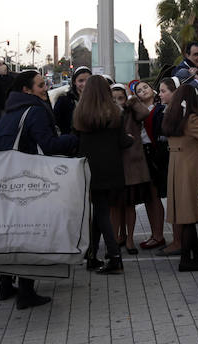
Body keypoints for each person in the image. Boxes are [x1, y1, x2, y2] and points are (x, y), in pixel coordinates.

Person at [0, 70, 78, 309]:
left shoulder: (9, 112)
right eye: (41, 85)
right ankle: (26, 292)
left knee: (11, 232)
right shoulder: (36, 111)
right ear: (27, 90)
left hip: (6, 178)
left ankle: (4, 285)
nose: (45, 88)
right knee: (28, 235)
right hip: (29, 180)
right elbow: (49, 145)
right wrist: (73, 139)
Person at [74, 75, 131, 275]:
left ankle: (112, 258)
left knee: (100, 210)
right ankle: (99, 256)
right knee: (101, 211)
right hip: (112, 167)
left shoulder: (81, 113)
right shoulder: (115, 113)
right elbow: (123, 141)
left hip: (91, 168)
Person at [161, 84, 198, 272]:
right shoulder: (192, 119)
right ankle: (187, 260)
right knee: (190, 215)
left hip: (176, 166)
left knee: (186, 215)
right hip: (191, 167)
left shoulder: (171, 115)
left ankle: (193, 256)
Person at [115, 81, 168, 251]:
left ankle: (158, 235)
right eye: (138, 90)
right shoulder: (133, 108)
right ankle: (155, 234)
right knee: (148, 198)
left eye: (145, 87)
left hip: (155, 152)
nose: (143, 90)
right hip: (142, 154)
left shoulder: (158, 107)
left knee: (154, 196)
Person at [148, 77, 184, 256]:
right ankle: (177, 240)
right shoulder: (162, 110)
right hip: (165, 161)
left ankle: (179, 241)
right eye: (160, 91)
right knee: (171, 201)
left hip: (176, 161)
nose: (160, 95)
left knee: (176, 202)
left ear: (174, 92)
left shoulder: (181, 111)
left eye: (164, 91)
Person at [53, 66, 92, 134]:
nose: (85, 84)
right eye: (81, 81)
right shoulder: (64, 100)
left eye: (88, 80)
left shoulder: (97, 99)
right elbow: (56, 123)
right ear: (74, 82)